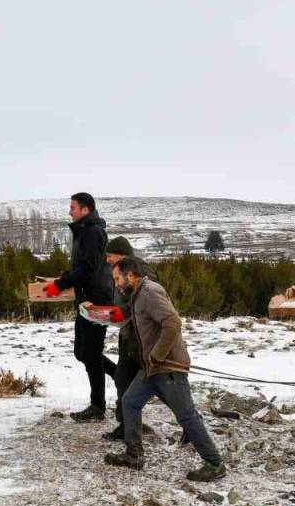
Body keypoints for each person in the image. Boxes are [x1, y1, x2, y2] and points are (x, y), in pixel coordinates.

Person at [104, 257, 226, 482]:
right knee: (129, 401)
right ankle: (134, 455)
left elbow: (173, 323)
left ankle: (215, 463)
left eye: (117, 278)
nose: (116, 284)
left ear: (130, 275)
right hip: (152, 368)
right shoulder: (137, 294)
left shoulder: (150, 292)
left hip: (168, 367)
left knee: (186, 415)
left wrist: (157, 355)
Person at [43, 192, 117, 422]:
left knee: (91, 354)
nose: (70, 211)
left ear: (85, 209)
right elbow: (80, 266)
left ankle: (98, 406)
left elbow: (89, 267)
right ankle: (120, 376)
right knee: (82, 352)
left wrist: (61, 284)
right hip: (86, 300)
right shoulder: (84, 231)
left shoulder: (93, 232)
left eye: (73, 207)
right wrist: (63, 279)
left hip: (97, 300)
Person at [101, 236, 161, 441]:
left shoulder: (143, 271)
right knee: (122, 380)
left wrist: (123, 312)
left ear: (121, 254)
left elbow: (145, 301)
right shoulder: (120, 271)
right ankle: (126, 427)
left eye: (110, 255)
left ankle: (189, 422)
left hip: (143, 339)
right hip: (127, 336)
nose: (107, 259)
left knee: (161, 386)